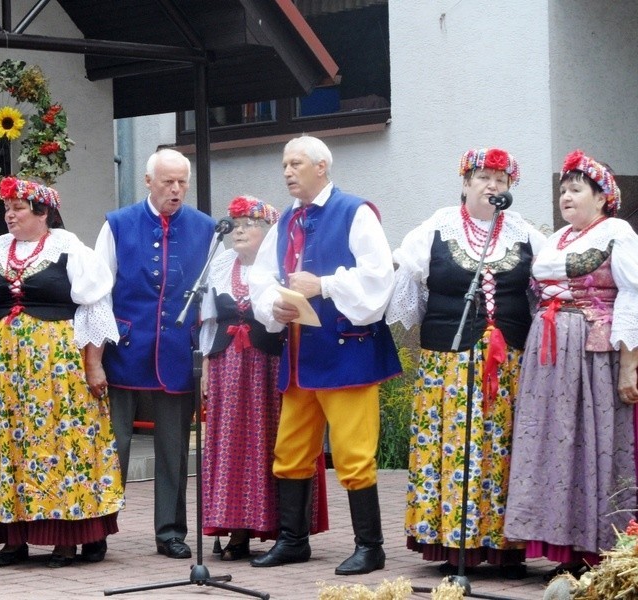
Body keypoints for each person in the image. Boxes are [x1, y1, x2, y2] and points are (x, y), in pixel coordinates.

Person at [387, 148, 547, 577]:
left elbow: (542, 294)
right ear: (464, 183)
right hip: (449, 367)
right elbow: (409, 296)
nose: (492, 186)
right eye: (483, 178)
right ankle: (454, 544)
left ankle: (505, 546)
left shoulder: (525, 234)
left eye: (501, 180)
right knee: (453, 451)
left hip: (507, 366)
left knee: (502, 451)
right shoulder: (434, 229)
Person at [247, 135, 401, 576]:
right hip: (299, 353)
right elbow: (261, 278)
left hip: (347, 350)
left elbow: (378, 279)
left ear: (322, 167)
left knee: (354, 455)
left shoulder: (356, 213)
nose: (287, 172)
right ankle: (293, 541)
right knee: (290, 451)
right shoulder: (284, 222)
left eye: (296, 164)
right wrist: (271, 306)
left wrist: (326, 285)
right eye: (284, 165)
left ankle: (370, 547)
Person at [0, 177, 124, 568]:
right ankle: (14, 538)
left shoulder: (68, 247)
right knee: (8, 445)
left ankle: (68, 537)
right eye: (7, 209)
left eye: (18, 208)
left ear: (43, 213)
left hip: (56, 363)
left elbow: (94, 306)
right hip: (4, 370)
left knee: (60, 444)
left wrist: (93, 362)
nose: (9, 215)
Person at [504, 150, 638, 577]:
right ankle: (559, 542)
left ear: (601, 199)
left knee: (589, 440)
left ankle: (595, 547)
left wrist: (629, 364)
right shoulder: (558, 239)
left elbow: (633, 295)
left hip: (590, 353)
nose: (566, 196)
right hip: (549, 352)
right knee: (554, 442)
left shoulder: (617, 232)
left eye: (576, 189)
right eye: (562, 189)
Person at [92, 148, 217, 560]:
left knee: (174, 450)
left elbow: (212, 296)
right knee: (113, 447)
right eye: (168, 181)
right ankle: (97, 530)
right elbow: (97, 294)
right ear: (148, 181)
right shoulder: (117, 224)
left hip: (179, 352)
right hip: (124, 349)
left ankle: (170, 532)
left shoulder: (205, 228)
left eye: (182, 181)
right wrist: (93, 357)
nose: (176, 189)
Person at [200, 195, 329, 561]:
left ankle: (282, 531)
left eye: (249, 225)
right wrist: (208, 368)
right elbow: (209, 320)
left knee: (274, 444)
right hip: (229, 369)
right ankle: (237, 531)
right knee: (232, 449)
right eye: (235, 224)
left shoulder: (280, 267)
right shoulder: (220, 265)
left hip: (271, 368)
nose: (239, 230)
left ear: (269, 232)